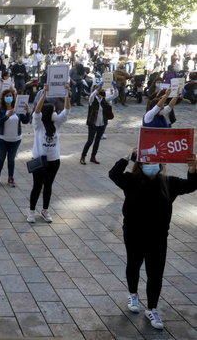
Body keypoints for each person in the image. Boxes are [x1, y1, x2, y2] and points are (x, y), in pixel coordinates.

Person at [109, 151, 197, 330]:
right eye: (147, 162)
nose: (151, 165)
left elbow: (192, 185)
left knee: (155, 273)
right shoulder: (130, 180)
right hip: (133, 233)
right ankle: (133, 294)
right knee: (133, 264)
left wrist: (193, 168)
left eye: (156, 162)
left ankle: (152, 308)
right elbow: (113, 174)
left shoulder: (169, 183)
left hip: (157, 237)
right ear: (139, 164)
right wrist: (128, 156)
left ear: (162, 164)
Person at [28, 84, 71, 223]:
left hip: (54, 160)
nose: (55, 113)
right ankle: (31, 211)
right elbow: (37, 112)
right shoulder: (38, 125)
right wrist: (44, 94)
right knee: (37, 186)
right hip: (39, 159)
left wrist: (66, 93)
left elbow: (67, 110)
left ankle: (45, 210)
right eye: (52, 111)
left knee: (48, 186)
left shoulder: (56, 123)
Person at [0, 90, 31, 187]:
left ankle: (10, 178)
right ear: (3, 98)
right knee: (1, 158)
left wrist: (27, 112)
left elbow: (26, 121)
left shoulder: (17, 109)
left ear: (14, 98)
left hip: (15, 139)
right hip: (1, 138)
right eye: (7, 96)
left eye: (10, 96)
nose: (9, 97)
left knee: (11, 159)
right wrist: (6, 116)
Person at [80, 86, 116, 165]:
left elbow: (115, 95)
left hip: (102, 123)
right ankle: (83, 157)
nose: (102, 91)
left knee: (97, 140)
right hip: (93, 123)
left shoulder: (104, 99)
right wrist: (97, 88)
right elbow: (92, 95)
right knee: (90, 141)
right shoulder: (92, 99)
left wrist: (114, 88)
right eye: (100, 90)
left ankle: (93, 157)